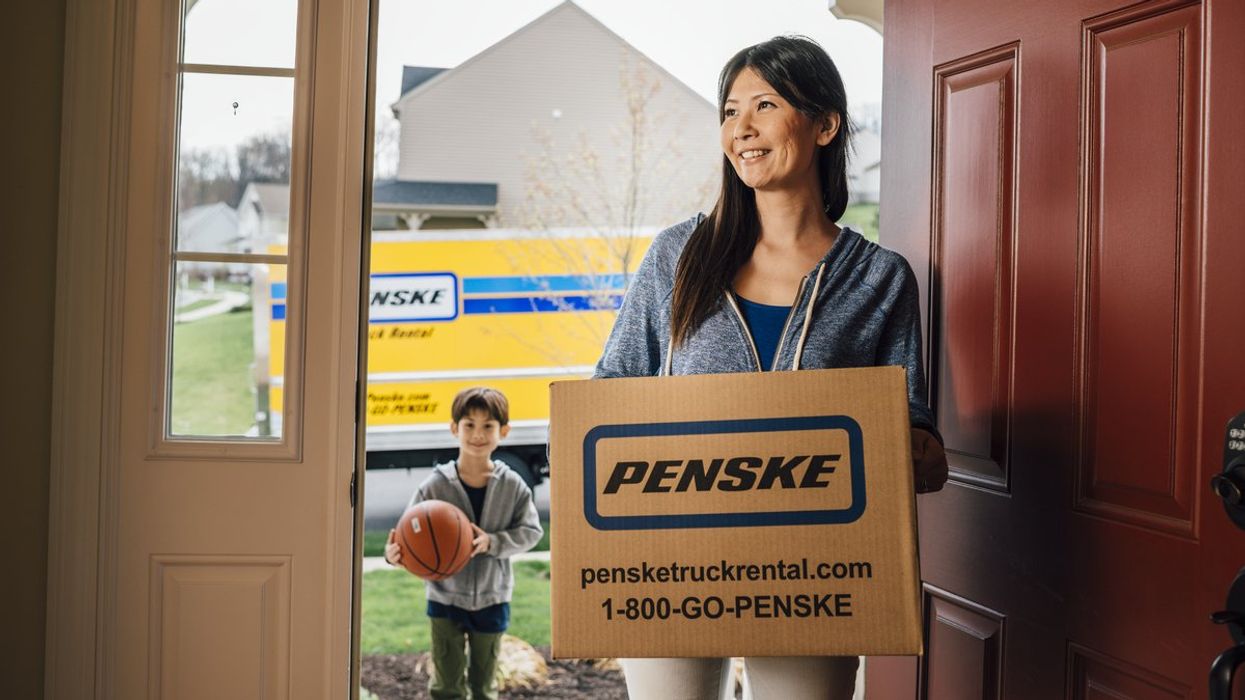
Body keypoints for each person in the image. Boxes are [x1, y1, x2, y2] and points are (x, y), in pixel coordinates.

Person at [593, 35, 949, 699]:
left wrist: (918, 451)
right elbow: (612, 395)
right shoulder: (677, 258)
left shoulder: (879, 279)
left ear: (823, 124)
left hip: (814, 574)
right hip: (674, 564)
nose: (742, 129)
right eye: (729, 111)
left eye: (764, 104)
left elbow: (913, 431)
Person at [384, 387, 543, 700]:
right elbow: (405, 536)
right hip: (445, 599)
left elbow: (531, 531)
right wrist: (393, 556)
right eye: (469, 425)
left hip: (493, 597)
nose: (478, 434)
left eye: (488, 426)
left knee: (484, 688)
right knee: (446, 687)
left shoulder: (512, 486)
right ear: (454, 428)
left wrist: (492, 542)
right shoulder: (435, 485)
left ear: (504, 432)